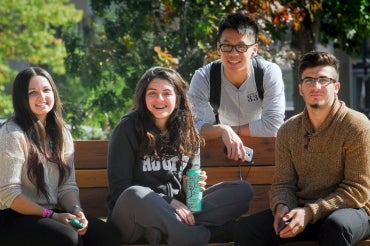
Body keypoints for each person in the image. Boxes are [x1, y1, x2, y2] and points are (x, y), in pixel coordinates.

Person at [233, 51, 370, 246]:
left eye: (324, 80)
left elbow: (357, 190)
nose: (316, 86)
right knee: (247, 229)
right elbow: (283, 183)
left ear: (336, 87)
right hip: (302, 211)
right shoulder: (288, 131)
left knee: (336, 226)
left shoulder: (356, 125)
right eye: (309, 80)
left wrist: (310, 212)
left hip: (354, 210)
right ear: (300, 89)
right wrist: (282, 206)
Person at [106, 66, 253, 246]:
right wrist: (169, 202)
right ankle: (199, 235)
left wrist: (192, 188)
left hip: (178, 214)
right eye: (152, 93)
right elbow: (120, 190)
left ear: (178, 98)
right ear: (143, 98)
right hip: (133, 220)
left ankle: (166, 232)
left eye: (167, 93)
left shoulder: (188, 130)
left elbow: (192, 200)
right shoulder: (127, 128)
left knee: (242, 191)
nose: (159, 99)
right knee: (135, 193)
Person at [0, 67, 122, 246]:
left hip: (50, 213)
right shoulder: (11, 133)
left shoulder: (61, 133)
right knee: (68, 239)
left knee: (108, 235)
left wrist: (76, 210)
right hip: (12, 217)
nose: (42, 97)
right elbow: (9, 193)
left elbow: (67, 185)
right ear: (21, 99)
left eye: (46, 90)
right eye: (32, 93)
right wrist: (53, 216)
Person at [188, 11, 285, 161]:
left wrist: (228, 132)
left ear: (255, 49)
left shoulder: (268, 72)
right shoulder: (204, 77)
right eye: (226, 46)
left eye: (241, 46)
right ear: (218, 47)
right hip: (214, 154)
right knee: (194, 182)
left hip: (263, 151)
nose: (233, 54)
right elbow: (191, 126)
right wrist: (222, 130)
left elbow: (273, 126)